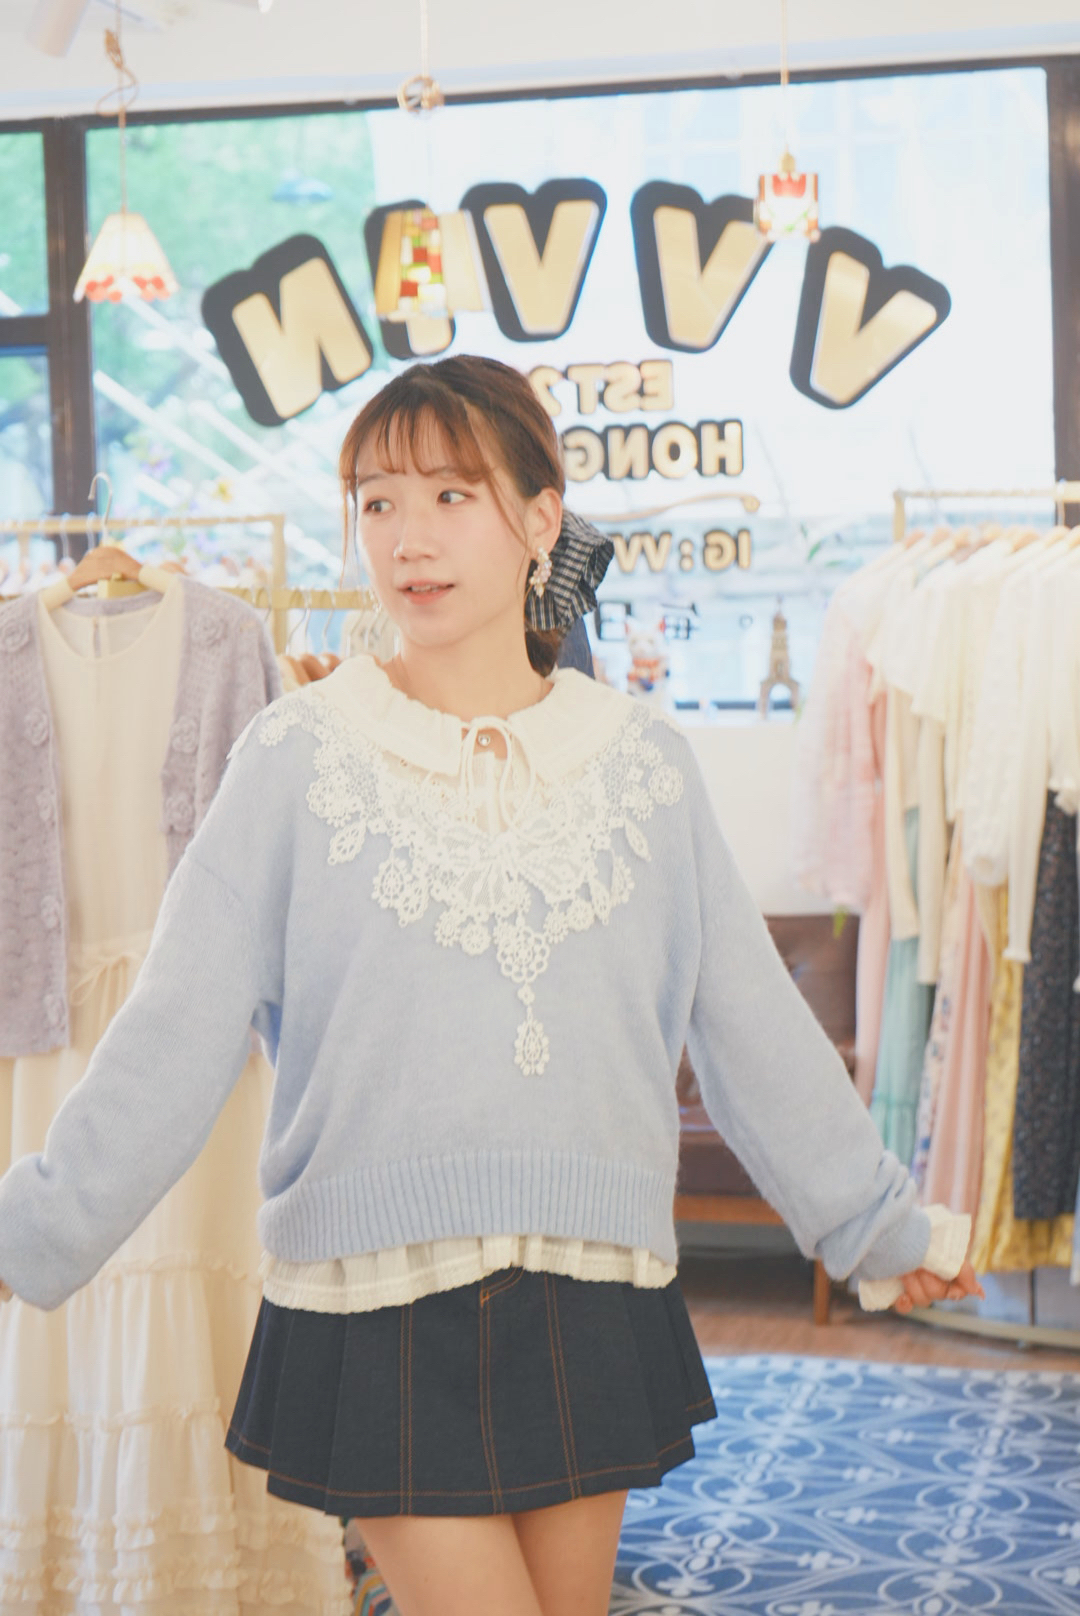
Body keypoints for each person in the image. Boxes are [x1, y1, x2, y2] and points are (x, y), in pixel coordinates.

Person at [0, 355, 983, 1616]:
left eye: (451, 496)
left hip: (592, 1283)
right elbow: (173, 1030)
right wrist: (35, 1226)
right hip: (375, 1295)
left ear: (539, 518)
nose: (407, 538)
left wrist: (878, 1228)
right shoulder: (294, 757)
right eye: (377, 502)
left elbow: (751, 1025)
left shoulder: (642, 762)